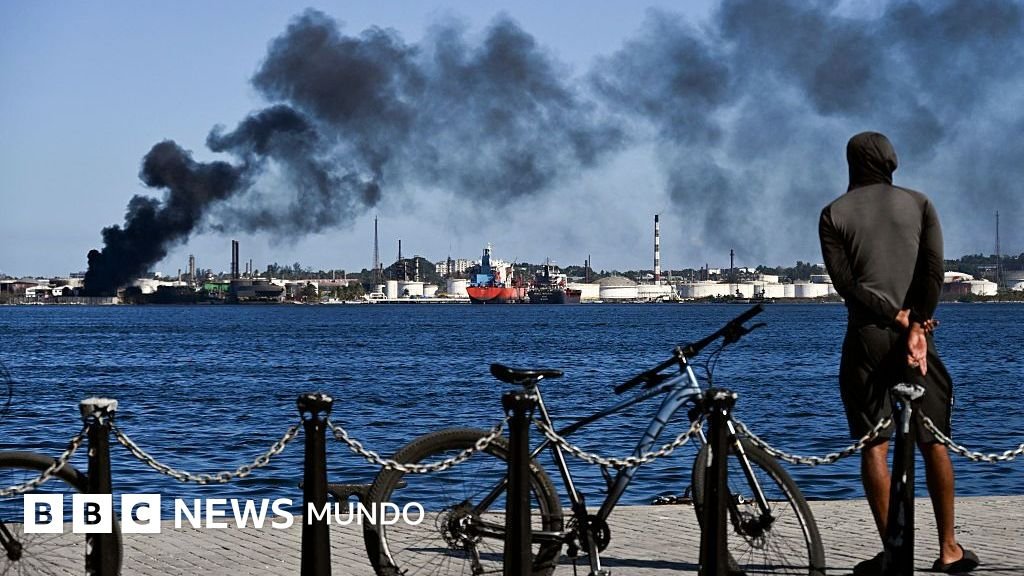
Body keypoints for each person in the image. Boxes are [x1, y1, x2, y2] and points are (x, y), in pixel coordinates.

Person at [818, 131, 979, 574]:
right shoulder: (921, 203)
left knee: (874, 445)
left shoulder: (832, 213)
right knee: (934, 443)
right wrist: (918, 323)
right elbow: (933, 270)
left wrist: (896, 318)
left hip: (867, 337)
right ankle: (949, 549)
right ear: (890, 161)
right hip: (917, 336)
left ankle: (894, 552)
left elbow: (846, 286)